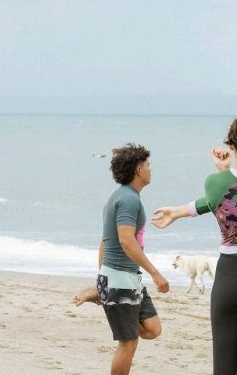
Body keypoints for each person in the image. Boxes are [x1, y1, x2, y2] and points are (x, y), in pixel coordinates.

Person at [151, 116, 237, 375]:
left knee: (224, 369)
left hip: (231, 279)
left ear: (231, 144)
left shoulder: (215, 184)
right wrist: (225, 172)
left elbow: (222, 195)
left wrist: (221, 171)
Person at [88, 143, 170, 375]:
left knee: (153, 329)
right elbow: (125, 240)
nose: (150, 169)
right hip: (119, 281)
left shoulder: (121, 197)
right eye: (148, 164)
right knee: (129, 341)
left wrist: (101, 281)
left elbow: (104, 241)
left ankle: (102, 297)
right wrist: (155, 273)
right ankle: (105, 298)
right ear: (138, 169)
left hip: (126, 279)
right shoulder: (127, 200)